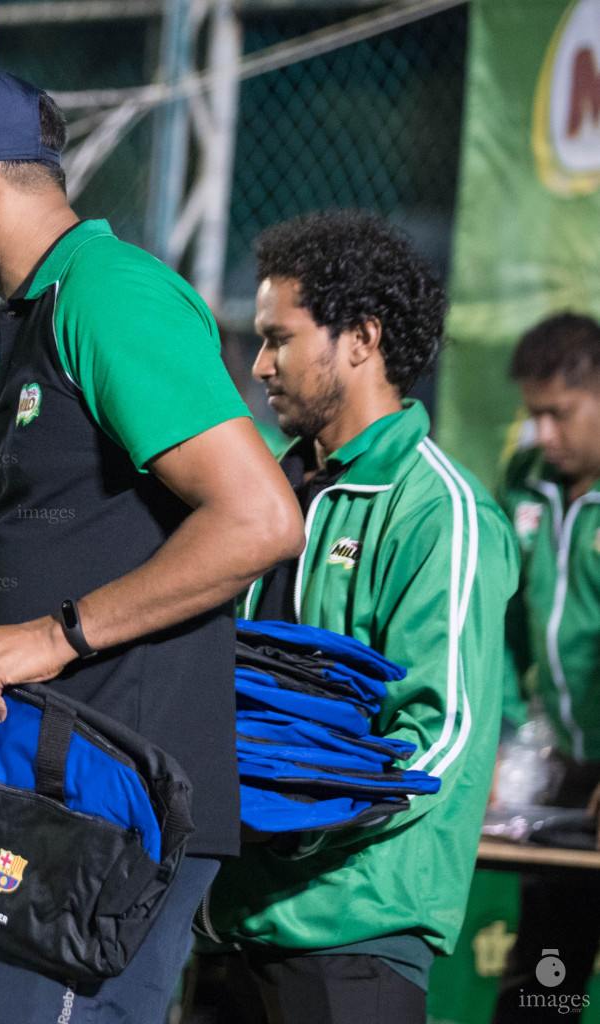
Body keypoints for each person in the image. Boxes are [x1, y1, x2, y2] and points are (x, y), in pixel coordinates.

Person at [0, 62, 304, 1024]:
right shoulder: (27, 322)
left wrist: (57, 634)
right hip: (24, 799)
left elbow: (259, 519)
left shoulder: (111, 294)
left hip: (111, 808)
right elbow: (36, 564)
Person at [206, 211, 517, 1024]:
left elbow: (437, 740)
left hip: (352, 937)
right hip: (230, 922)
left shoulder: (440, 512)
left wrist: (283, 826)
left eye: (280, 338)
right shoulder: (266, 497)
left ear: (361, 339)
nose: (262, 363)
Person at [492, 312, 600, 1020]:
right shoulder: (527, 481)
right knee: (543, 987)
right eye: (534, 416)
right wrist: (503, 736)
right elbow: (502, 620)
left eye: (558, 415)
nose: (544, 436)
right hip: (564, 767)